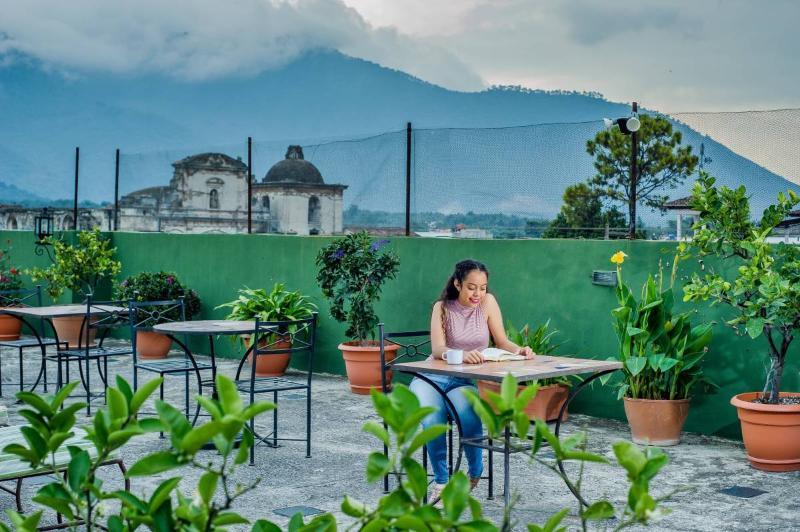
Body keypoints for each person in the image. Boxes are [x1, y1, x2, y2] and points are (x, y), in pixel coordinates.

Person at [409, 259, 534, 503]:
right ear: (457, 284)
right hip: (432, 376)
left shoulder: (488, 303)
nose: (478, 293)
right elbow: (437, 349)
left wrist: (519, 350)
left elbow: (501, 341)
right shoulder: (442, 307)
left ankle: (475, 472)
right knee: (431, 416)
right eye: (471, 287)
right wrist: (462, 355)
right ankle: (442, 481)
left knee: (469, 414)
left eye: (483, 287)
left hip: (462, 381)